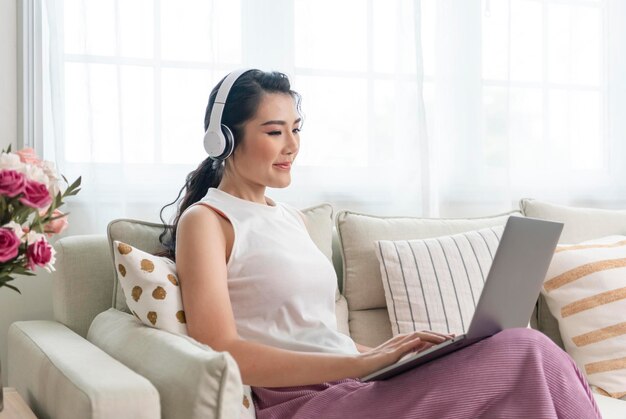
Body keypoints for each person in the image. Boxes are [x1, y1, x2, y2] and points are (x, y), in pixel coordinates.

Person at [160, 69, 601, 418]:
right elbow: (221, 349)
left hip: (354, 386)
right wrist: (358, 365)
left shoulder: (289, 218)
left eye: (296, 129)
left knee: (528, 352)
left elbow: (314, 335)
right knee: (526, 350)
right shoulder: (208, 220)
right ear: (224, 139)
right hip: (302, 403)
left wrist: (400, 351)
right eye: (274, 132)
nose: (292, 145)